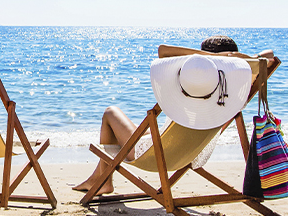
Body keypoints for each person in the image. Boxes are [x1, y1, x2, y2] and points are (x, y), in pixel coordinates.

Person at [73, 36, 273, 196]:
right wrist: (234, 59)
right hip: (194, 153)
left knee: (110, 112)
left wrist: (207, 59)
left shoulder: (191, 87)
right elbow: (269, 55)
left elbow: (163, 50)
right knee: (134, 132)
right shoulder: (237, 91)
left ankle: (103, 181)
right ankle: (99, 179)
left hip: (159, 155)